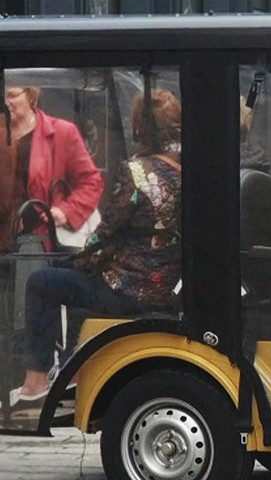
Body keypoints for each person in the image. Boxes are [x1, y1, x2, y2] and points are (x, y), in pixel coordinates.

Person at [12, 90, 182, 407]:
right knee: (72, 284)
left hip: (130, 290)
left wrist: (75, 261)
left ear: (139, 129)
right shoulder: (188, 170)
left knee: (43, 282)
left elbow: (106, 233)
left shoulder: (137, 171)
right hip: (169, 287)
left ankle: (35, 381)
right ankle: (74, 375)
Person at [0, 82, 105, 252]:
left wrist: (66, 211)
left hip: (38, 242)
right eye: (1, 97)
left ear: (30, 96)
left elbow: (91, 182)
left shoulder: (62, 133)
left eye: (12, 95)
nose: (5, 102)